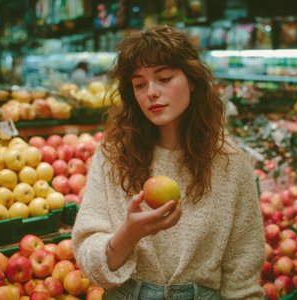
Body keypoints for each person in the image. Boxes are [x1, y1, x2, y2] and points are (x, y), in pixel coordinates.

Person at [71, 25, 265, 300]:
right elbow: (89, 264)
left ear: (193, 80)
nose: (151, 92)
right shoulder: (112, 157)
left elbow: (243, 279)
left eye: (163, 78)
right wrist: (129, 233)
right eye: (140, 84)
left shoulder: (231, 165)